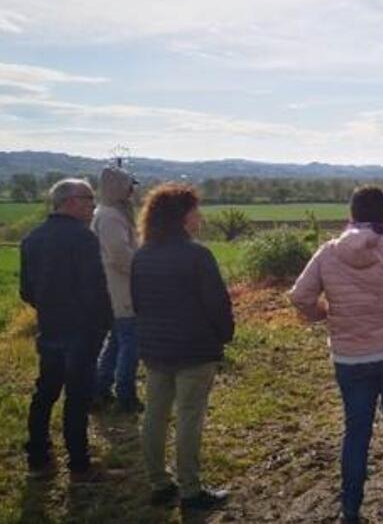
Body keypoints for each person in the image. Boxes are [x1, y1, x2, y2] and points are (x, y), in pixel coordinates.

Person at [290, 186, 383, 523]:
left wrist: (323, 313)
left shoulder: (327, 253)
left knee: (356, 429)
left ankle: (351, 507)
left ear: (351, 215)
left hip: (350, 357)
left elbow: (300, 295)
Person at [132, 183, 234, 510]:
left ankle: (158, 483)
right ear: (182, 216)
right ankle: (191, 490)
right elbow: (216, 304)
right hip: (194, 348)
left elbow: (138, 303)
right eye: (195, 210)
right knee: (189, 416)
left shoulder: (142, 255)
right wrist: (224, 335)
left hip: (155, 347)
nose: (199, 216)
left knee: (155, 415)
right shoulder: (197, 255)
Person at [20, 179, 113, 482]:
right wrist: (103, 323)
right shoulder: (83, 239)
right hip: (82, 329)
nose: (92, 205)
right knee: (77, 397)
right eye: (88, 199)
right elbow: (95, 290)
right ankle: (79, 464)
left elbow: (26, 291)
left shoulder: (32, 239)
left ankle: (37, 458)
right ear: (70, 201)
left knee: (45, 393)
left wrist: (49, 309)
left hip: (49, 327)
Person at [92, 165, 142, 413]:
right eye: (129, 185)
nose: (132, 190)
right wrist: (144, 272)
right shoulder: (111, 216)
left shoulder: (111, 212)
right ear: (118, 187)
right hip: (121, 290)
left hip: (116, 288)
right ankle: (126, 396)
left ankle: (100, 390)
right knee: (130, 343)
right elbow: (120, 255)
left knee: (116, 342)